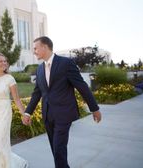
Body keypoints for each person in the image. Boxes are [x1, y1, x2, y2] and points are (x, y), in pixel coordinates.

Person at [23, 36, 102, 168]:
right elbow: (37, 93)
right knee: (56, 151)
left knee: (59, 149)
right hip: (48, 115)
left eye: (36, 48)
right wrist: (28, 112)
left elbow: (81, 86)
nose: (34, 51)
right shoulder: (40, 69)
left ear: (45, 47)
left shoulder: (66, 63)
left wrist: (94, 108)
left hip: (64, 114)